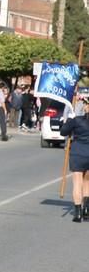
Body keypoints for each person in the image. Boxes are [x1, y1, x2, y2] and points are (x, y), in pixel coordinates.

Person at [59, 94, 89, 222]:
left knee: (77, 183)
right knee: (87, 182)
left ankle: (77, 213)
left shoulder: (77, 120)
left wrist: (69, 121)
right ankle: (86, 209)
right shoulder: (77, 119)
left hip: (77, 153)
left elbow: (63, 132)